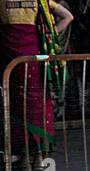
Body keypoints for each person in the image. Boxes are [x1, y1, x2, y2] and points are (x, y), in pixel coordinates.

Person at [1, 0, 73, 161]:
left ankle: (24, 155)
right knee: (38, 102)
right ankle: (41, 155)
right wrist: (49, 35)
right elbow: (68, 17)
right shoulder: (41, 2)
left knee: (17, 105)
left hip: (10, 61)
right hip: (35, 59)